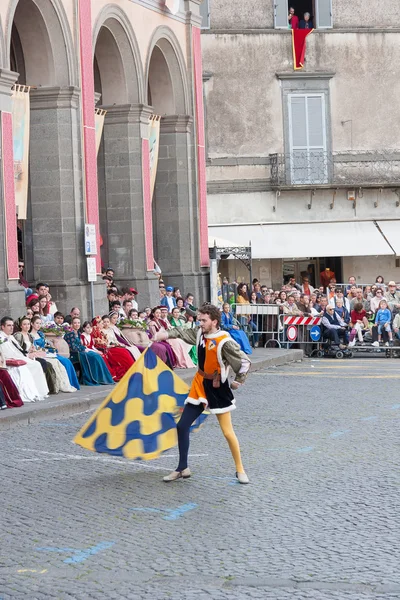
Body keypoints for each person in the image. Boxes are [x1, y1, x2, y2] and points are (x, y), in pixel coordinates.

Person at [154, 304, 251, 484]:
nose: (200, 323)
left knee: (228, 433)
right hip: (200, 385)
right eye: (199, 319)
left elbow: (244, 362)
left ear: (214, 321)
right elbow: (182, 332)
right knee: (182, 426)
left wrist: (238, 380)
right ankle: (183, 468)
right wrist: (164, 335)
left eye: (204, 320)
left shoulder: (224, 341)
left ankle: (240, 469)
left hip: (217, 388)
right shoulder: (200, 333)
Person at [0, 316, 49, 402]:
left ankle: (40, 391)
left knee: (37, 364)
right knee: (33, 365)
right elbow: (6, 353)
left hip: (20, 357)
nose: (11, 327)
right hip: (10, 360)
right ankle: (32, 392)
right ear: (2, 327)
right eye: (9, 325)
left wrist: (28, 353)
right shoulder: (1, 338)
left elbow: (19, 350)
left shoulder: (11, 337)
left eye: (12, 325)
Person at [29, 315, 78, 392]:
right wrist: (43, 350)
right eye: (37, 323)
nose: (39, 325)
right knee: (59, 362)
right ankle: (60, 384)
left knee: (66, 361)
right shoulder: (30, 336)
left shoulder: (41, 334)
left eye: (40, 323)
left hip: (47, 351)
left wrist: (51, 347)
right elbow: (34, 347)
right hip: (39, 353)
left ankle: (72, 383)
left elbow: (46, 344)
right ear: (32, 324)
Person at [64, 317, 114, 386]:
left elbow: (81, 345)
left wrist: (84, 348)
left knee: (97, 356)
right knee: (94, 356)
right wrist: (84, 348)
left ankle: (101, 378)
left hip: (82, 351)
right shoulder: (70, 334)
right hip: (76, 353)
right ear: (71, 324)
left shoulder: (78, 333)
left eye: (78, 323)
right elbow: (73, 347)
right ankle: (93, 378)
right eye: (75, 323)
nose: (77, 324)